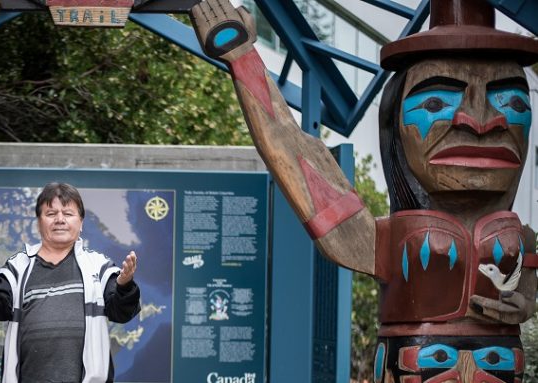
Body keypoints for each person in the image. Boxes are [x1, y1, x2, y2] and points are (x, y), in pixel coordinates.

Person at [187, 0, 537, 380]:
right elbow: (295, 153)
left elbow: (529, 265)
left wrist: (527, 295)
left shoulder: (519, 234)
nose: (482, 121)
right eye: (436, 102)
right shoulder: (385, 240)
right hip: (417, 361)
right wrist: (243, 59)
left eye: (511, 100)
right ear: (394, 126)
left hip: (501, 359)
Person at [0, 182, 141, 383]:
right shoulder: (17, 267)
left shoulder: (99, 266)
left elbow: (122, 313)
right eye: (51, 214)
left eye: (68, 214)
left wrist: (125, 285)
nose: (59, 220)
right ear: (39, 223)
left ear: (81, 222)